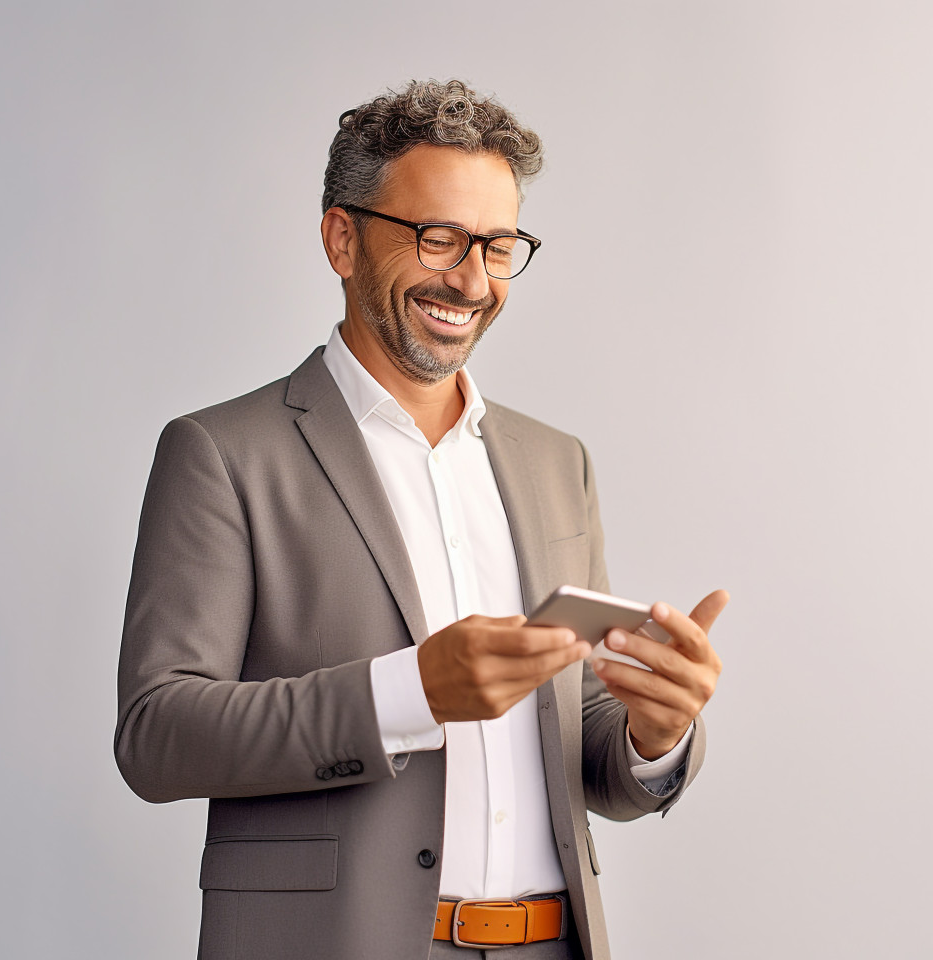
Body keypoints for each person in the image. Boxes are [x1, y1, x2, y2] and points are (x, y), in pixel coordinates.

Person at [115, 79, 727, 960]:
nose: (472, 281)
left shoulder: (558, 462)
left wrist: (653, 736)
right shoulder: (222, 453)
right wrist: (408, 693)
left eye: (499, 246)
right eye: (439, 238)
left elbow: (583, 744)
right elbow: (157, 734)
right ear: (342, 239)